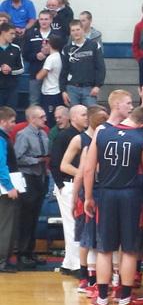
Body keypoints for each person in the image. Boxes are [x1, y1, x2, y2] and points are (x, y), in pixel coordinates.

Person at [84, 102, 143, 305]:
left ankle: (103, 300)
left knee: (105, 249)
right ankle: (124, 301)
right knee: (130, 250)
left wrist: (88, 197)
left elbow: (88, 168)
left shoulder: (102, 131)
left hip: (105, 193)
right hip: (130, 195)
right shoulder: (142, 139)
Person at [61, 105, 109, 293]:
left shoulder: (104, 141)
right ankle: (84, 277)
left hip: (98, 191)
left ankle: (93, 278)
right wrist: (86, 174)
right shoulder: (79, 140)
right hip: (86, 191)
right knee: (85, 237)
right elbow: (64, 165)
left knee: (93, 237)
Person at [50, 104, 89, 274]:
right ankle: (75, 266)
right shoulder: (64, 136)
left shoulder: (83, 136)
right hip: (68, 184)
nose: (87, 117)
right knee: (73, 224)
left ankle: (68, 263)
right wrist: (61, 186)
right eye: (83, 114)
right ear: (73, 118)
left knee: (74, 224)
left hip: (76, 183)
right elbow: (55, 164)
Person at [14, 106, 49, 270]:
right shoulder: (23, 135)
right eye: (41, 117)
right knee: (26, 217)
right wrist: (37, 160)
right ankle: (22, 253)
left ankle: (30, 251)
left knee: (35, 215)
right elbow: (17, 158)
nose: (45, 119)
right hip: (28, 177)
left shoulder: (43, 134)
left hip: (40, 177)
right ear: (32, 119)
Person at [60, 19, 106, 107]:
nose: (76, 32)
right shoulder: (66, 49)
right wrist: (63, 91)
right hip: (72, 88)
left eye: (78, 29)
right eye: (73, 30)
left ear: (83, 30)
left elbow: (100, 67)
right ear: (70, 32)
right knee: (74, 115)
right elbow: (64, 71)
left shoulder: (94, 45)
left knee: (91, 114)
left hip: (89, 88)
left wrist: (97, 86)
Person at [23, 9, 61, 105]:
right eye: (41, 19)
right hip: (36, 72)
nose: (43, 21)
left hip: (53, 75)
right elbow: (25, 54)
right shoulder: (30, 34)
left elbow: (61, 53)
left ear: (51, 20)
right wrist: (36, 56)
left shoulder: (57, 35)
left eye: (46, 19)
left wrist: (49, 54)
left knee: (50, 103)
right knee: (34, 101)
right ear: (38, 20)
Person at [0, 106, 19, 273]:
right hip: (4, 188)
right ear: (3, 121)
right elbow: (1, 165)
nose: (14, 124)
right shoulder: (1, 139)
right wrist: (9, 186)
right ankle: (2, 261)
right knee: (6, 224)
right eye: (12, 121)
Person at [36, 35, 64, 127]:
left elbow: (39, 76)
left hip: (51, 92)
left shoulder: (51, 58)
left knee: (49, 119)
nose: (43, 47)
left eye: (45, 44)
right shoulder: (59, 56)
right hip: (55, 91)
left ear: (50, 45)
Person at [0, 23, 24, 109]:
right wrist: (1, 69)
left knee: (11, 113)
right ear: (3, 32)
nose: (14, 36)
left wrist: (10, 70)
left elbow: (21, 69)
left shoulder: (16, 48)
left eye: (15, 34)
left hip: (11, 88)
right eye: (11, 33)